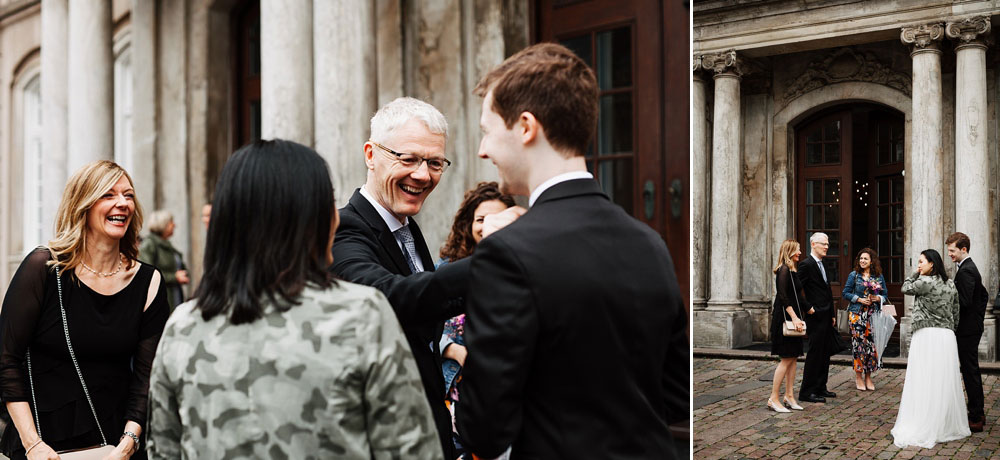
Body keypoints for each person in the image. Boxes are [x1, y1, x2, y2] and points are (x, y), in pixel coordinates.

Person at [455, 43, 688, 459]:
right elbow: (675, 394)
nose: (482, 150)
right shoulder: (650, 243)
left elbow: (483, 428)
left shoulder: (505, 252)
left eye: (487, 131)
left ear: (526, 126)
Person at [146, 139, 441, 458]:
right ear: (309, 218)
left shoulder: (183, 326)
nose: (337, 218)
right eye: (328, 203)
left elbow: (163, 450)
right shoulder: (360, 316)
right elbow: (411, 449)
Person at [331, 97, 499, 459]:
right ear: (370, 154)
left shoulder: (407, 227)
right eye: (407, 159)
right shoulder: (344, 229)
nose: (422, 175)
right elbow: (389, 297)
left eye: (435, 162)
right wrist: (497, 261)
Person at [0, 160, 169, 460]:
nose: (122, 203)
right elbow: (5, 359)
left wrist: (128, 443)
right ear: (83, 205)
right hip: (44, 446)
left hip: (116, 446)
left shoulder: (149, 282)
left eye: (128, 195)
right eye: (108, 194)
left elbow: (147, 378)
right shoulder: (43, 269)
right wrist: (32, 444)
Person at [436, 181, 515, 457]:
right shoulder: (445, 272)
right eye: (481, 219)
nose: (487, 226)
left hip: (503, 404)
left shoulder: (520, 273)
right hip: (452, 399)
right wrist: (454, 350)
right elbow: (418, 327)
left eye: (497, 219)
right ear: (469, 223)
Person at [891, 249, 970, 448]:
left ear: (931, 264)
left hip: (926, 334)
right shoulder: (950, 283)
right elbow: (956, 312)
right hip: (946, 336)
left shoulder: (923, 282)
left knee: (923, 378)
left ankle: (924, 421)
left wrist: (916, 274)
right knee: (943, 379)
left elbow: (905, 288)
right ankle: (943, 423)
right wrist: (949, 328)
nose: (918, 266)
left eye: (921, 262)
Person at [945, 232, 988, 432]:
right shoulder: (966, 268)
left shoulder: (967, 270)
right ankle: (977, 411)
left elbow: (964, 301)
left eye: (952, 251)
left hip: (968, 330)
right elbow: (984, 294)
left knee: (970, 371)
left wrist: (947, 295)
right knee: (970, 369)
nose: (950, 254)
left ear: (964, 249)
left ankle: (976, 415)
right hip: (970, 327)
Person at [797, 232, 838, 403]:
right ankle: (807, 392)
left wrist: (833, 314)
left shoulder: (823, 263)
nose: (827, 246)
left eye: (828, 244)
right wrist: (808, 308)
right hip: (815, 315)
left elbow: (827, 290)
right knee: (814, 354)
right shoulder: (806, 265)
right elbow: (797, 289)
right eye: (823, 244)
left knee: (825, 353)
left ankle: (821, 386)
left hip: (826, 314)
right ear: (813, 244)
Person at [768, 240, 806, 413]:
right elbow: (783, 296)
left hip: (794, 318)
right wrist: (795, 318)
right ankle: (773, 398)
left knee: (793, 358)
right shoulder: (783, 270)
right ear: (790, 251)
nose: (799, 252)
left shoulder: (792, 271)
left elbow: (798, 295)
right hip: (785, 319)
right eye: (797, 249)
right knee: (785, 359)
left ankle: (789, 396)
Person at [841, 248, 887, 391]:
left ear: (871, 261)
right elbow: (845, 293)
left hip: (873, 315)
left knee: (871, 347)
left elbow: (885, 296)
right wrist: (859, 299)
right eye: (861, 258)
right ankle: (859, 376)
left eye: (865, 259)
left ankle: (868, 377)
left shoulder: (878, 277)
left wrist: (877, 298)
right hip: (857, 315)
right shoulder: (854, 275)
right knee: (859, 346)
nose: (862, 261)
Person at [139, 210, 189, 310]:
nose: (174, 225)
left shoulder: (169, 246)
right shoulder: (149, 245)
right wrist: (174, 277)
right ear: (163, 225)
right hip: (162, 300)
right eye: (171, 222)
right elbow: (147, 275)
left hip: (175, 297)